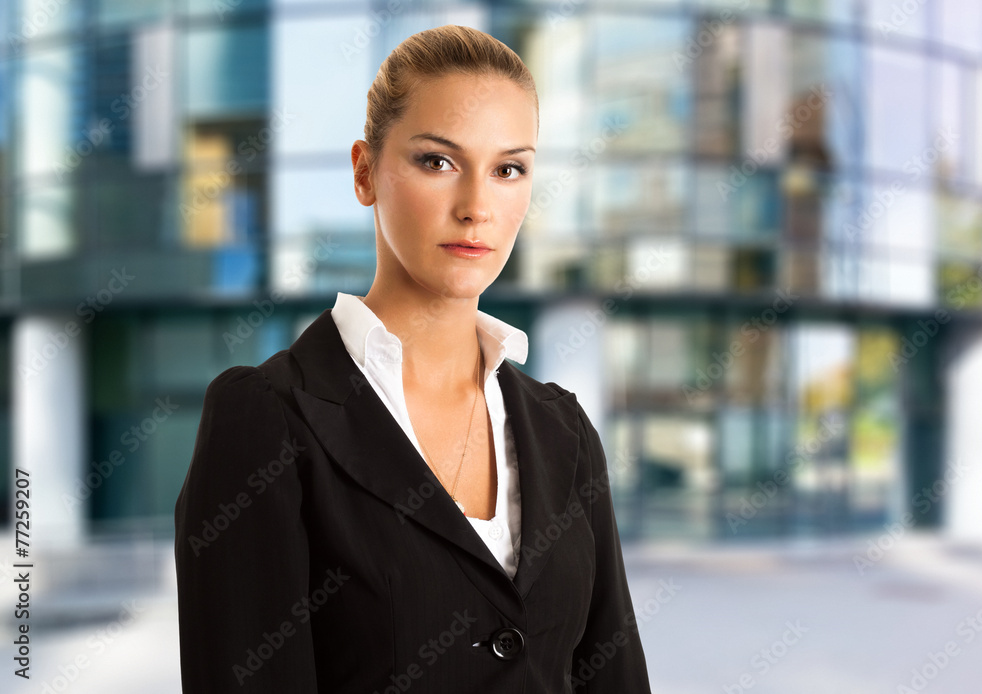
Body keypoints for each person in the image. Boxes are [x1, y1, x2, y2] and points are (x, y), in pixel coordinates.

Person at [174, 24, 652, 693]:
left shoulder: (564, 432)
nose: (477, 207)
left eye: (508, 169)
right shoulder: (265, 422)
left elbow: (615, 677)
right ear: (366, 172)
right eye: (438, 162)